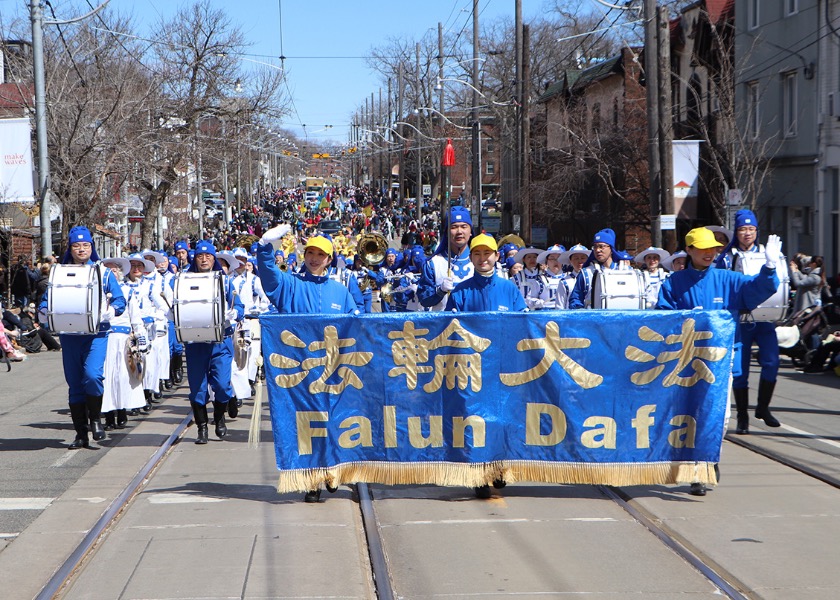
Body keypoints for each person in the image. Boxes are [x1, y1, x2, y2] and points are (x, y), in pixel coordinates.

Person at [657, 227, 780, 495]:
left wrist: (770, 267)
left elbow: (758, 288)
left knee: (718, 417)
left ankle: (706, 463)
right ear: (689, 250)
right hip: (685, 362)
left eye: (712, 248)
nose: (709, 253)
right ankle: (695, 466)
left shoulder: (729, 279)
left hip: (721, 362)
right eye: (702, 248)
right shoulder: (673, 283)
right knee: (690, 415)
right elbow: (662, 319)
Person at [257, 223, 358, 503]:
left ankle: (334, 470)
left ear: (329, 259)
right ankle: (312, 479)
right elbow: (268, 275)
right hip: (302, 373)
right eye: (310, 252)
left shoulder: (340, 292)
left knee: (336, 422)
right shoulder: (290, 285)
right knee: (307, 425)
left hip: (335, 370)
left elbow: (355, 325)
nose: (314, 258)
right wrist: (266, 246)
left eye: (320, 255)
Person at [445, 234, 525, 498]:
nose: (483, 259)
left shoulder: (509, 289)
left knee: (502, 419)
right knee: (476, 420)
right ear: (471, 258)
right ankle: (479, 472)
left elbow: (522, 325)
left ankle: (500, 467)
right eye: (477, 254)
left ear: (496, 256)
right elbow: (449, 330)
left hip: (502, 367)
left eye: (487, 254)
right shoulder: (461, 291)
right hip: (472, 368)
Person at [39, 226, 126, 449]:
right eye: (76, 246)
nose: (81, 249)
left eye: (85, 245)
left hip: (97, 333)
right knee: (75, 384)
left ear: (91, 247)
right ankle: (80, 433)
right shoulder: (59, 273)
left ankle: (96, 420)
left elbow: (119, 301)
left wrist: (111, 311)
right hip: (70, 335)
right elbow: (47, 300)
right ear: (70, 248)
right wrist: (43, 312)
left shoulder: (103, 272)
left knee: (93, 376)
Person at [715, 209, 784, 433]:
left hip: (765, 320)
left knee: (772, 362)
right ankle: (742, 416)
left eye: (751, 229)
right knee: (740, 371)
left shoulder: (767, 252)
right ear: (736, 232)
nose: (747, 234)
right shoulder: (727, 257)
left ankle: (763, 408)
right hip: (740, 320)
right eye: (743, 229)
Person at [182, 241, 244, 445]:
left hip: (221, 341)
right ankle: (201, 428)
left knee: (222, 385)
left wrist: (234, 313)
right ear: (195, 259)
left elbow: (239, 306)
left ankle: (219, 418)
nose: (204, 259)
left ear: (214, 259)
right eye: (200, 256)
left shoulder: (225, 282)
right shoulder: (184, 280)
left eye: (208, 256)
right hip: (196, 342)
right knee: (198, 389)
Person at [417, 206, 474, 311]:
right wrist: (440, 291)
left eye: (464, 226)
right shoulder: (433, 263)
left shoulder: (480, 261)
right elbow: (424, 299)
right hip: (443, 325)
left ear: (471, 231)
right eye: (454, 227)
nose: (459, 231)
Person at [569, 229, 632, 309]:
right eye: (595, 247)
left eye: (602, 246)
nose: (598, 250)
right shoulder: (587, 273)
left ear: (611, 249)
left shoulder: (625, 271)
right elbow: (575, 299)